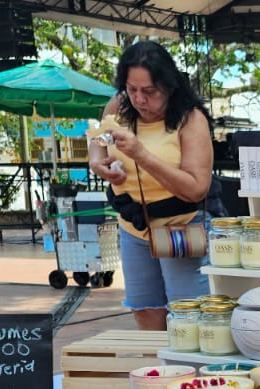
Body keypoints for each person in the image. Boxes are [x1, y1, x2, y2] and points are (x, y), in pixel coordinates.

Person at [89, 41, 214, 331]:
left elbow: (196, 188)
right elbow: (99, 137)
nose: (139, 99)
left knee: (188, 317)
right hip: (133, 226)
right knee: (145, 309)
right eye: (131, 89)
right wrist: (97, 163)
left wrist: (141, 155)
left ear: (169, 87)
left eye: (149, 91)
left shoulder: (190, 119)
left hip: (179, 225)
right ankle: (154, 361)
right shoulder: (119, 105)